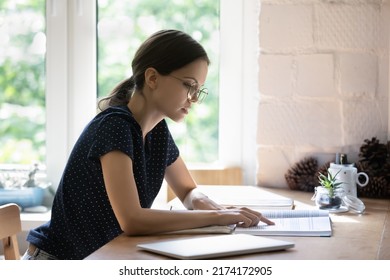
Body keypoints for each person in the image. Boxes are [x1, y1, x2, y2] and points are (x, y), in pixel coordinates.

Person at [23, 29, 274, 260]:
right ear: (152, 77)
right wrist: (217, 217)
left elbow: (187, 191)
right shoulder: (115, 127)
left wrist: (214, 207)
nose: (195, 99)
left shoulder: (157, 131)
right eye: (189, 85)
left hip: (101, 259)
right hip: (57, 262)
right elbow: (131, 220)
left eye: (199, 89)